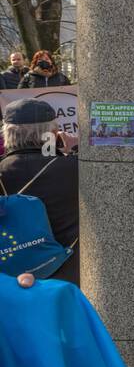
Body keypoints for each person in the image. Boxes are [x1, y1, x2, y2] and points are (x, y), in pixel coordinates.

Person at [0, 98, 79, 285]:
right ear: (53, 133)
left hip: (11, 280)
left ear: (7, 134)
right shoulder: (76, 169)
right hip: (67, 275)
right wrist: (74, 148)